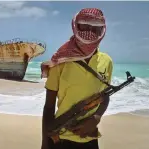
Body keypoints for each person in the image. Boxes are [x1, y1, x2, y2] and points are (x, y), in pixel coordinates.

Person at [41, 8, 113, 149]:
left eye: (95, 28)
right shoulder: (60, 62)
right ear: (76, 26)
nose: (89, 32)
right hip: (60, 139)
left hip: (90, 138)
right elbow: (49, 107)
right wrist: (44, 144)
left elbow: (105, 95)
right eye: (85, 26)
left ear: (102, 31)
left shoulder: (107, 61)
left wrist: (96, 118)